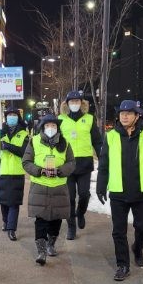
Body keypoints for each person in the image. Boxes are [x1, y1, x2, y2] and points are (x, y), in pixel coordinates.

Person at [96, 100, 143, 282]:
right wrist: (100, 186)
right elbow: (104, 164)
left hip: (141, 191)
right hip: (118, 192)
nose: (124, 116)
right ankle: (123, 265)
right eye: (122, 113)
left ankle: (137, 248)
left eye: (129, 113)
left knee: (142, 227)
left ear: (137, 116)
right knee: (118, 231)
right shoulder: (111, 136)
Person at [22, 113, 75, 265]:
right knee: (41, 219)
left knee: (56, 219)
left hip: (59, 187)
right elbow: (26, 162)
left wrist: (60, 171)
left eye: (53, 125)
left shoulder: (65, 143)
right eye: (47, 125)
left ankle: (51, 244)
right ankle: (41, 251)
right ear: (42, 128)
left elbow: (71, 163)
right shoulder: (34, 141)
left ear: (57, 128)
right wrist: (40, 171)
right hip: (40, 187)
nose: (50, 128)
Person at [59, 90, 103, 240]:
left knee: (84, 194)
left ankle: (81, 213)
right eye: (72, 102)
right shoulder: (61, 119)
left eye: (77, 101)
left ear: (81, 103)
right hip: (67, 164)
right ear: (67, 104)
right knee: (70, 197)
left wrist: (102, 158)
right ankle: (71, 227)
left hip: (85, 164)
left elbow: (97, 141)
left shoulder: (89, 119)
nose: (74, 104)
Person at [0, 106, 29, 241]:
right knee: (3, 201)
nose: (11, 117)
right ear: (6, 118)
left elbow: (23, 152)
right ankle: (5, 221)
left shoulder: (24, 134)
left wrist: (7, 146)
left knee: (14, 202)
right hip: (1, 171)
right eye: (9, 115)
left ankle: (11, 229)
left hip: (16, 172)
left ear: (18, 118)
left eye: (14, 115)